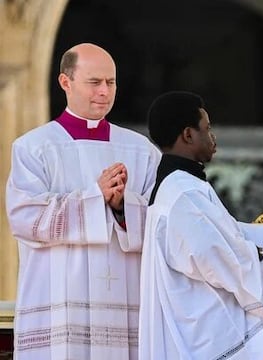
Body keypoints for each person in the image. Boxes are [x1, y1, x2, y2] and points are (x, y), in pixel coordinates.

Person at [139, 91, 263, 360]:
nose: (213, 138)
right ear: (188, 135)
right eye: (206, 129)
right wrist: (253, 256)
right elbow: (217, 257)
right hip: (204, 338)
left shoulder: (183, 186)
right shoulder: (182, 194)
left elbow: (230, 233)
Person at [5, 43, 161, 359]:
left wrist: (122, 207)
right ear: (66, 82)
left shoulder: (141, 150)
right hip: (60, 304)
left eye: (111, 82)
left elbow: (163, 221)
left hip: (124, 302)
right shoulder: (34, 148)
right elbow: (24, 218)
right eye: (94, 82)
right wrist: (95, 196)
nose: (104, 91)